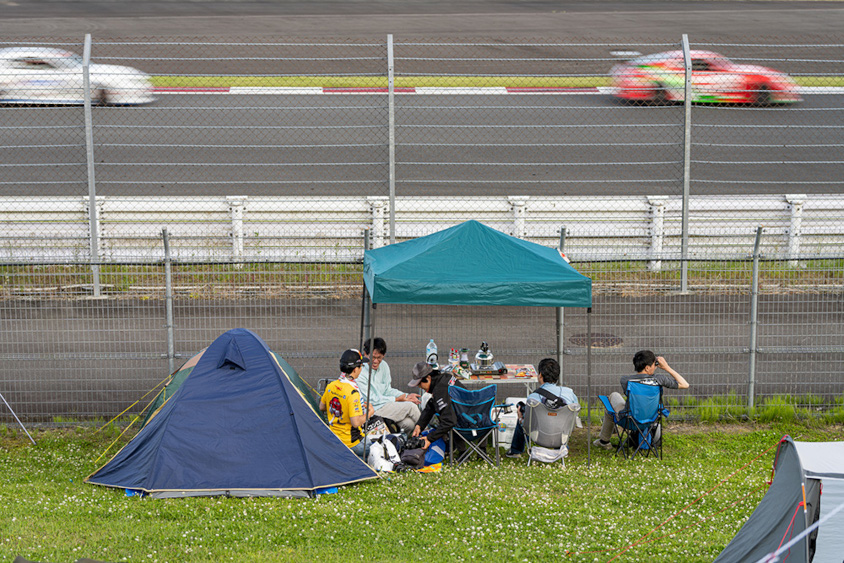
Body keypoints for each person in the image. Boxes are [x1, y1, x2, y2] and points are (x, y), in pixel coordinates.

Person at [593, 350, 689, 450]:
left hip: (629, 421)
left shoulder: (626, 380)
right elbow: (685, 384)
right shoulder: (659, 379)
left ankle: (604, 442)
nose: (655, 367)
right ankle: (610, 434)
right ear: (647, 368)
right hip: (651, 420)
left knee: (612, 399)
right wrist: (666, 367)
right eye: (654, 365)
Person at [505, 358, 576, 458]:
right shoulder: (569, 393)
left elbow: (527, 423)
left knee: (522, 412)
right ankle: (561, 447)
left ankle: (515, 451)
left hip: (538, 437)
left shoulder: (533, 398)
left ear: (540, 375)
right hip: (561, 435)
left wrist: (520, 417)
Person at [357, 337, 421, 434]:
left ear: (384, 355)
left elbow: (388, 390)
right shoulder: (360, 372)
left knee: (409, 423)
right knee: (411, 407)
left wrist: (406, 396)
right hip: (371, 410)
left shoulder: (384, 366)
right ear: (365, 354)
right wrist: (398, 399)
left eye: (379, 358)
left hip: (384, 406)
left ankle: (400, 443)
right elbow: (371, 399)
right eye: (373, 357)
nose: (375, 361)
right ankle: (429, 436)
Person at [319, 348, 375, 459]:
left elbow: (322, 406)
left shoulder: (331, 386)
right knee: (376, 447)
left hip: (334, 439)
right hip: (351, 443)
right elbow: (355, 423)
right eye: (361, 367)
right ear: (355, 369)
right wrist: (369, 413)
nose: (361, 370)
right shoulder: (352, 392)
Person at [408, 362, 463, 451]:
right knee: (437, 407)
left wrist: (429, 438)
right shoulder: (445, 378)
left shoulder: (439, 391)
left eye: (419, 383)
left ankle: (460, 450)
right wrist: (419, 425)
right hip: (471, 413)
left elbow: (449, 421)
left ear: (428, 378)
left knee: (443, 416)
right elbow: (431, 405)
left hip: (466, 423)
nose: (419, 386)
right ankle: (459, 448)